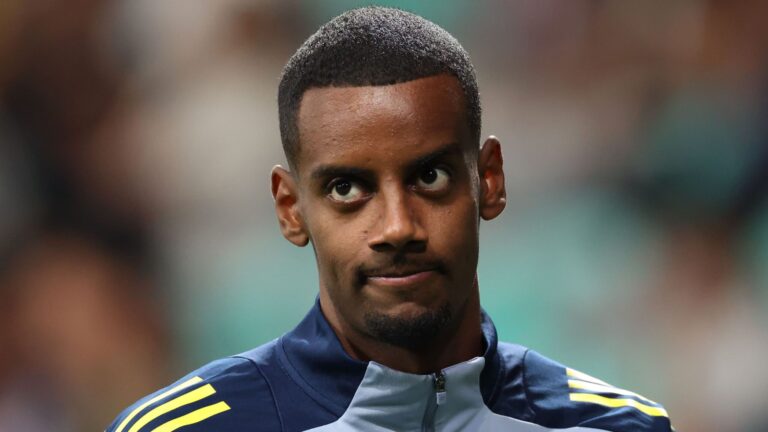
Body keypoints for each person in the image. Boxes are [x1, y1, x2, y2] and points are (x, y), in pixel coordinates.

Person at [107, 7, 673, 431]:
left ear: (490, 180)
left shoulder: (615, 426)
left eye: (430, 176)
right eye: (347, 188)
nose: (398, 227)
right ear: (290, 208)